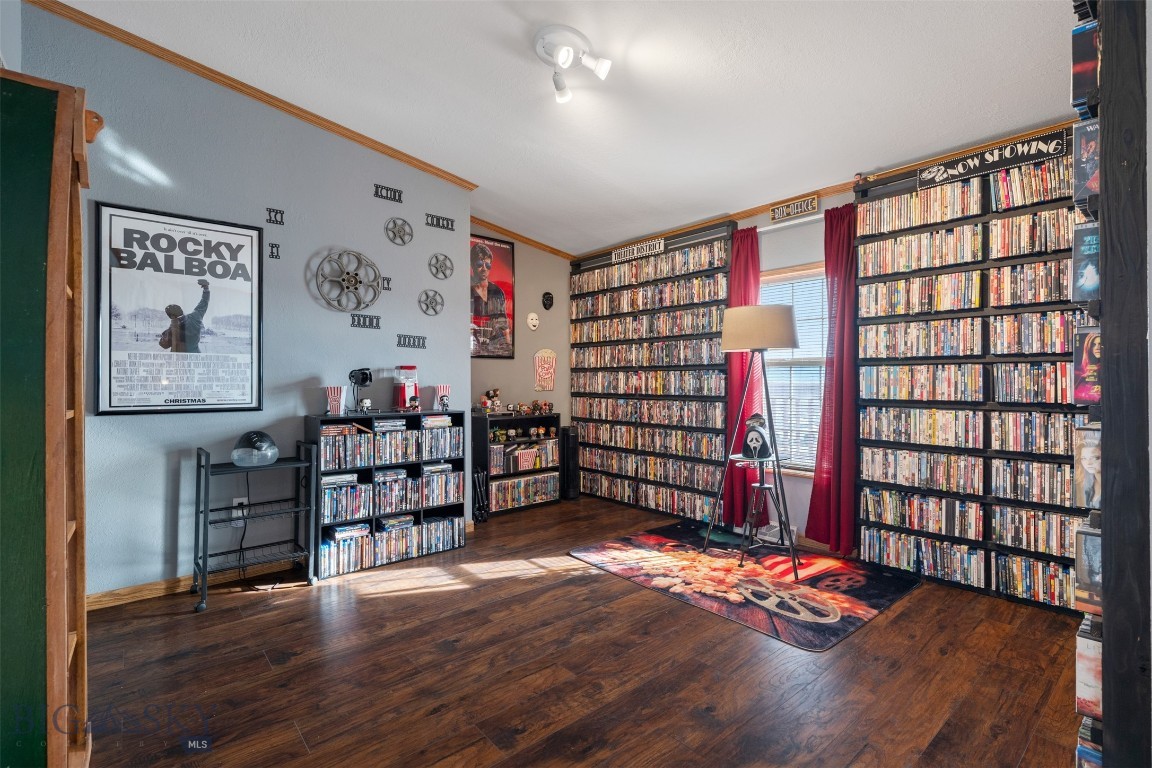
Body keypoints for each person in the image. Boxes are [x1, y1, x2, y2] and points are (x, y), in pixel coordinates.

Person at [470, 243, 511, 354]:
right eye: (480, 264)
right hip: (472, 348)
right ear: (472, 264)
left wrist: (508, 349)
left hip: (494, 349)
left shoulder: (497, 292)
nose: (484, 269)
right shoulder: (465, 289)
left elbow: (503, 325)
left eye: (487, 265)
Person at [159, 279, 210, 352]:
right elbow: (204, 302)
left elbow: (163, 344)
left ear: (171, 316)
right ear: (181, 311)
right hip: (195, 355)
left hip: (178, 358)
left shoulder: (173, 329)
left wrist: (165, 333)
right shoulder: (195, 317)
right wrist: (206, 288)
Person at [1076, 432, 1102, 509]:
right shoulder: (1087, 484)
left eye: (1095, 458)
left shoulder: (1114, 485)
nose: (1088, 463)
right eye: (1084, 458)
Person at [1074, 330, 1102, 403]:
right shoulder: (1081, 371)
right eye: (1094, 344)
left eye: (1100, 344)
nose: (1097, 348)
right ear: (1089, 347)